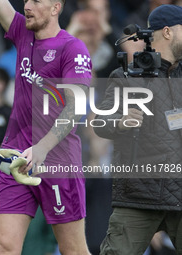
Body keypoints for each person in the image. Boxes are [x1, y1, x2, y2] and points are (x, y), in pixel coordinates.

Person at [0, 0, 92, 254]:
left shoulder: (72, 48)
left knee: (73, 251)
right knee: (2, 247)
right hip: (16, 158)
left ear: (56, 8)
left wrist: (43, 147)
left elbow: (76, 107)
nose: (27, 6)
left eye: (36, 1)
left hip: (57, 161)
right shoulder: (23, 31)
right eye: (25, 0)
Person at [94, 4, 182, 255]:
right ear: (167, 32)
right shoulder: (126, 77)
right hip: (139, 195)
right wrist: (121, 122)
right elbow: (100, 122)